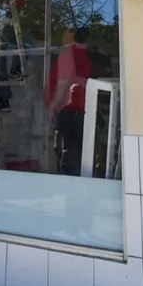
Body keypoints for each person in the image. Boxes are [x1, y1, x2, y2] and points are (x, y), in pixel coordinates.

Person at [44, 27, 92, 176]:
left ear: (72, 36)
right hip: (82, 112)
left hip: (68, 112)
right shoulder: (85, 56)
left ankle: (70, 190)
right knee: (79, 155)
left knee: (67, 155)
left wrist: (51, 107)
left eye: (66, 32)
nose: (63, 35)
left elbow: (62, 84)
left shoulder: (69, 55)